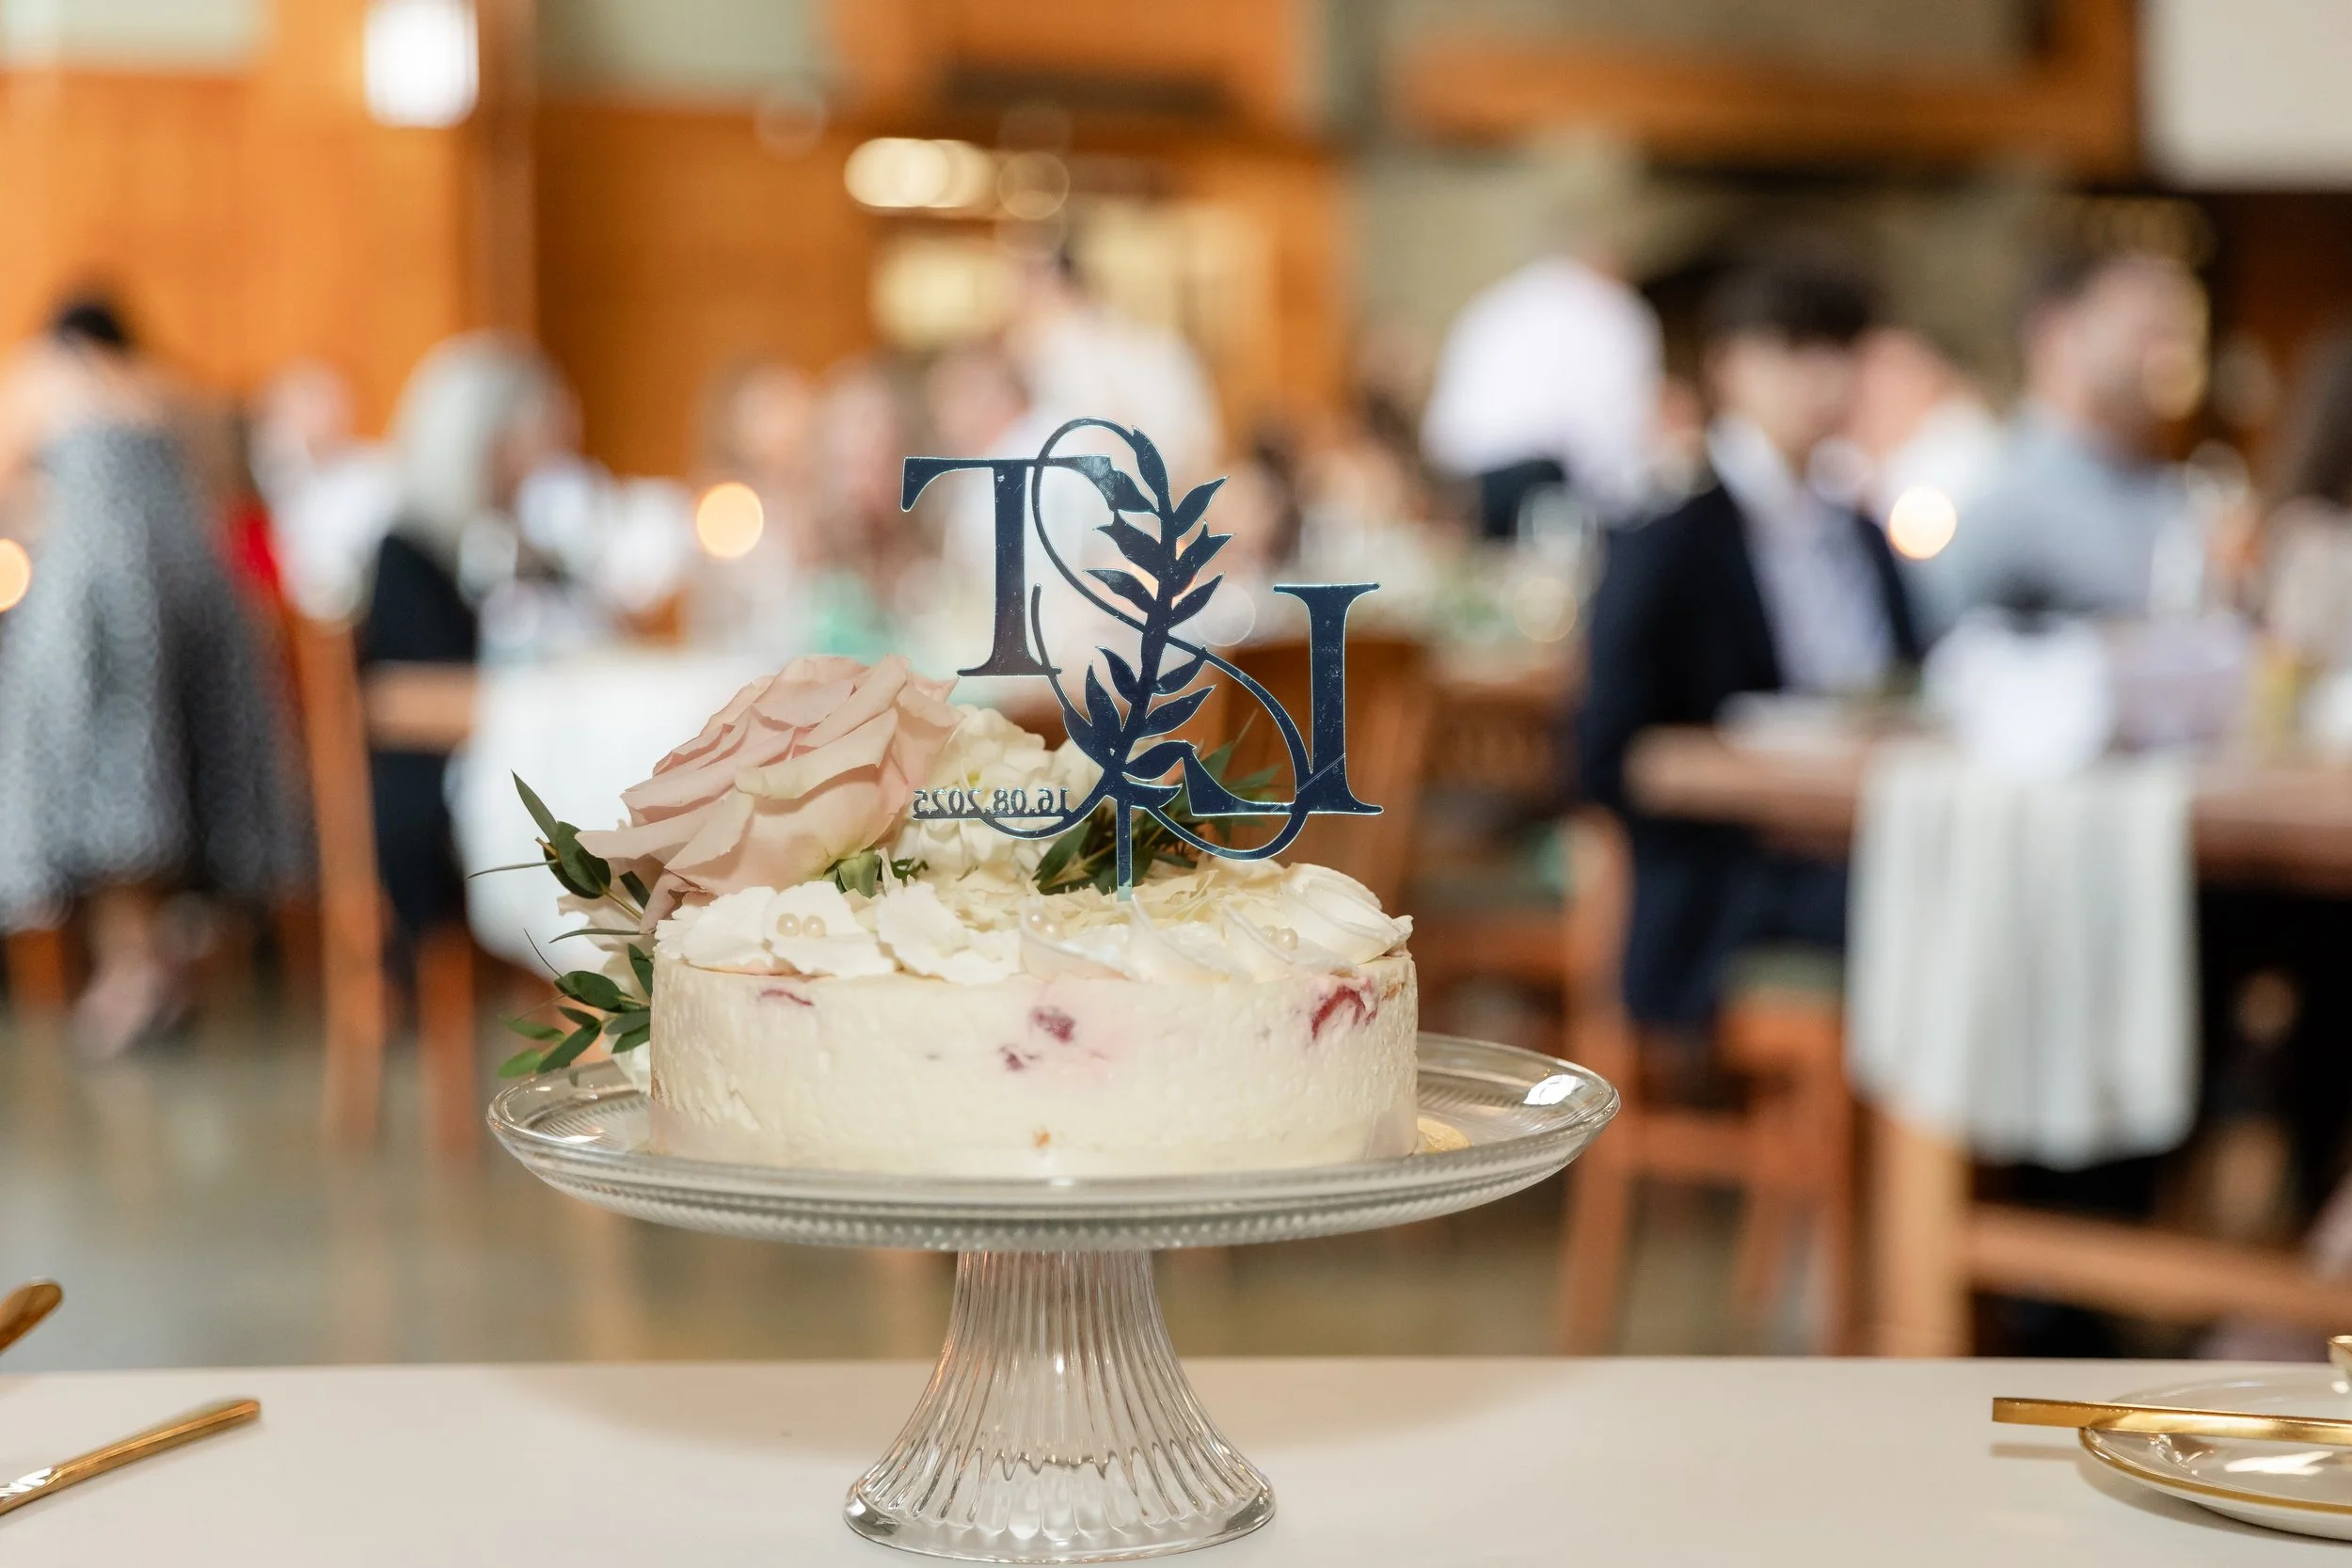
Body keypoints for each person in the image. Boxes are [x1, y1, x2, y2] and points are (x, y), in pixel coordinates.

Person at [1577, 251, 1921, 1027]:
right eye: (1796, 350)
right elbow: (1604, 750)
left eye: (1842, 351)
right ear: (1729, 363)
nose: (1822, 379)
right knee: (1943, 910)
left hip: (1863, 840)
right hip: (1730, 874)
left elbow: (1915, 680)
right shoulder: (1667, 538)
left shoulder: (1864, 533)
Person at [0, 294, 307, 1054]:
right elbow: (231, 496)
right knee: (180, 780)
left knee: (107, 788)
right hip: (201, 597)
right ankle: (164, 960)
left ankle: (131, 972)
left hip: (98, 607)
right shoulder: (173, 389)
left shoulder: (40, 377)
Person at [359, 333, 570, 941]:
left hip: (466, 777)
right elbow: (397, 697)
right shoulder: (405, 556)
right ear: (482, 445)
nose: (536, 465)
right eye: (526, 444)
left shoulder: (476, 550)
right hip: (421, 807)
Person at [1910, 249, 2206, 636]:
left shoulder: (2169, 495)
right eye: (2143, 333)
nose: (2167, 358)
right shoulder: (1994, 490)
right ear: (2057, 333)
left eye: (2175, 335)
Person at [1421, 230, 1663, 539]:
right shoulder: (1611, 310)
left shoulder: (1502, 300)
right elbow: (1611, 417)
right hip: (1546, 476)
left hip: (1470, 476)